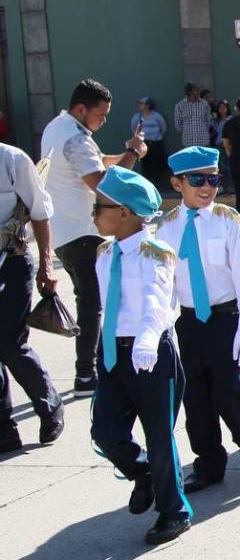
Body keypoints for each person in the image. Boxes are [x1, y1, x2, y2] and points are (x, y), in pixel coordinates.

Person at [90, 166, 192, 544]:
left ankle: (174, 511)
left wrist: (149, 337)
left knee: (159, 435)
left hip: (150, 352)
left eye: (100, 206)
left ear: (125, 212)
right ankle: (142, 474)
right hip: (115, 352)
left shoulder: (156, 253)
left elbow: (157, 300)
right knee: (105, 430)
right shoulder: (105, 253)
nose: (95, 212)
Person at [156, 147, 240, 493]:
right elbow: (165, 284)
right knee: (196, 395)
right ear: (177, 183)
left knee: (230, 386)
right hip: (189, 322)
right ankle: (208, 463)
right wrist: (156, 327)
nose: (207, 187)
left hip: (225, 317)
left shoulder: (228, 221)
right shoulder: (167, 228)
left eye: (213, 179)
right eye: (197, 180)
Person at [43, 78, 146, 397]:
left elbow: (100, 162)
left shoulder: (58, 128)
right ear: (81, 109)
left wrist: (127, 151)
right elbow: (103, 184)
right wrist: (133, 155)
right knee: (93, 303)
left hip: (63, 232)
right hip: (84, 233)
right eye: (100, 116)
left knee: (91, 301)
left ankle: (91, 369)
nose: (103, 122)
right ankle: (86, 374)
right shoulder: (75, 138)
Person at [0, 144, 64, 452]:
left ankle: (50, 406)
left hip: (11, 261)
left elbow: (40, 212)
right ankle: (4, 430)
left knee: (10, 344)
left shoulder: (12, 160)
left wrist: (47, 265)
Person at [131, 97, 169, 190]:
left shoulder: (156, 116)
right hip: (143, 144)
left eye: (142, 103)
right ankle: (146, 185)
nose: (140, 105)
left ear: (148, 105)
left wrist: (155, 137)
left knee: (156, 163)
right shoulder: (137, 116)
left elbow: (163, 128)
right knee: (145, 164)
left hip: (156, 142)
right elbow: (133, 128)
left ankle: (156, 184)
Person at [174, 83, 212, 149]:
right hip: (188, 143)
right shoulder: (180, 106)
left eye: (198, 90)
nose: (198, 92)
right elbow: (178, 124)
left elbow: (208, 121)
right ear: (189, 92)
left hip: (203, 142)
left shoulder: (204, 104)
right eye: (195, 90)